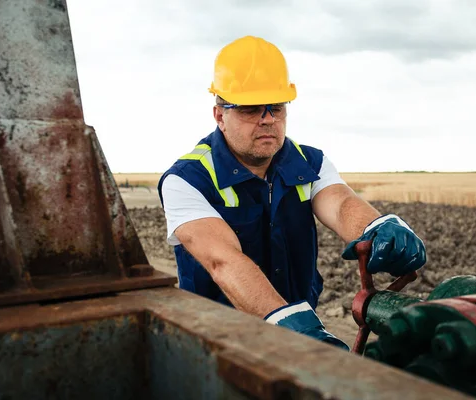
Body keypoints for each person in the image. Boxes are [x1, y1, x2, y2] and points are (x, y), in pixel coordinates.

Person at [157, 36, 426, 351]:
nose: (268, 119)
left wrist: (376, 228)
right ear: (220, 115)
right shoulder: (186, 179)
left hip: (299, 322)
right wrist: (289, 325)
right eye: (251, 108)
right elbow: (223, 260)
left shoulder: (310, 162)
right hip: (215, 340)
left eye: (276, 107)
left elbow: (339, 203)